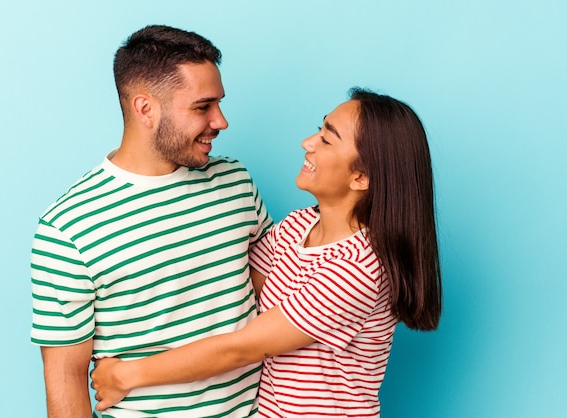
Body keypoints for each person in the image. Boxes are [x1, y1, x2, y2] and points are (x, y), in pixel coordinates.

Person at [90, 87, 443, 417]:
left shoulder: (358, 269)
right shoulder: (297, 225)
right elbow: (238, 286)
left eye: (327, 139)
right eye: (317, 130)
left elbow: (242, 347)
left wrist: (124, 374)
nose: (308, 143)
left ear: (361, 178)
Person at [30, 25, 272, 418]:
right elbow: (66, 379)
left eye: (219, 103)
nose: (221, 121)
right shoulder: (67, 228)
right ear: (145, 108)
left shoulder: (235, 181)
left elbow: (277, 299)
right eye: (202, 106)